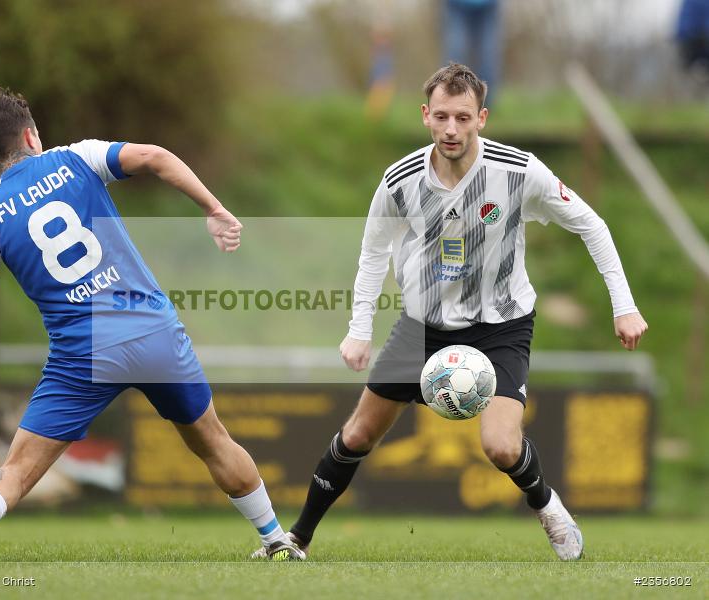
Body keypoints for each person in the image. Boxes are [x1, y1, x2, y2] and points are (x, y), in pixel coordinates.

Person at [253, 63, 648, 561]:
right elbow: (373, 251)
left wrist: (624, 306)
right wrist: (358, 330)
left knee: (502, 447)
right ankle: (296, 539)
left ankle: (548, 508)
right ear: (425, 115)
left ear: (482, 116)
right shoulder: (400, 181)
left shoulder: (518, 171)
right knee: (356, 433)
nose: (451, 129)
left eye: (462, 117)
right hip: (421, 328)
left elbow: (593, 225)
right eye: (441, 116)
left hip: (501, 325)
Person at [0, 88, 303, 562]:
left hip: (83, 355)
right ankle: (275, 539)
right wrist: (213, 208)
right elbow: (153, 156)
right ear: (31, 135)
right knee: (213, 441)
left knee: (19, 468)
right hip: (152, 331)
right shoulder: (78, 158)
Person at [442, 0, 502, 105]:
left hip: (488, 5)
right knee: (456, 52)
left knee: (487, 56)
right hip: (457, 5)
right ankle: (448, 98)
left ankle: (484, 104)